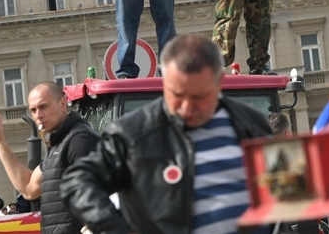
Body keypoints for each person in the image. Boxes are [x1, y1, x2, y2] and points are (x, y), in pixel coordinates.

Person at [61, 34, 272, 233]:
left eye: (199, 97)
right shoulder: (133, 134)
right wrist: (118, 228)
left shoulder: (251, 124)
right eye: (177, 95)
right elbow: (78, 181)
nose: (187, 107)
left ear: (219, 82)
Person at [0, 82, 99, 234]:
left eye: (43, 107)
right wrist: (0, 143)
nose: (38, 115)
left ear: (63, 104)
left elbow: (99, 202)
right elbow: (28, 188)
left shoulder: (79, 141)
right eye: (33, 110)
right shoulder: (60, 144)